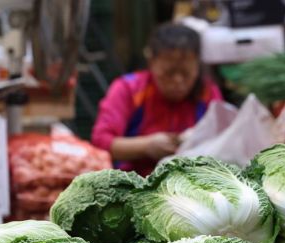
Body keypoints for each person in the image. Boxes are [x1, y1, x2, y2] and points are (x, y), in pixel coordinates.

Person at [92, 23, 222, 175]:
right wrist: (146, 146)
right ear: (152, 63)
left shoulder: (207, 92)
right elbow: (100, 143)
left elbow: (223, 139)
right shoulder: (129, 89)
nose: (178, 81)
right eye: (169, 73)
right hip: (134, 184)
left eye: (186, 73)